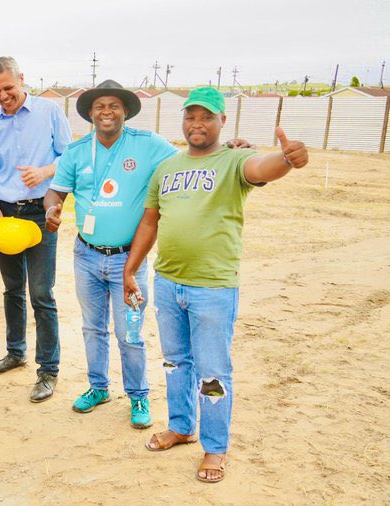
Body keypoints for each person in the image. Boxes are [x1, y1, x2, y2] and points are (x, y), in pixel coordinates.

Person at [123, 87, 308, 483]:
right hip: (169, 283)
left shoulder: (234, 159)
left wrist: (287, 160)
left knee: (212, 372)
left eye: (207, 117)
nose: (197, 124)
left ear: (222, 121)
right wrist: (130, 269)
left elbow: (263, 168)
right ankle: (181, 426)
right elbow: (150, 222)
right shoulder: (166, 169)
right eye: (191, 117)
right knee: (175, 363)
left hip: (213, 288)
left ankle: (215, 448)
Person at [44, 80, 178, 426]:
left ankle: (138, 397)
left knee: (129, 331)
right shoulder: (76, 152)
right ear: (90, 113)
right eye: (100, 106)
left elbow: (185, 165)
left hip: (127, 261)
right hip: (86, 255)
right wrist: (52, 209)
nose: (106, 112)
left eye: (113, 106)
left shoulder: (147, 145)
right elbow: (55, 192)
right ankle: (98, 387)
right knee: (93, 328)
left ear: (125, 112)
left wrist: (226, 151)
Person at [0, 56, 72, 402]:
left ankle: (48, 370)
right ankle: (15, 352)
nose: (3, 95)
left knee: (42, 294)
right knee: (12, 288)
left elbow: (70, 158)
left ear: (22, 78)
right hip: (4, 213)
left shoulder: (49, 113)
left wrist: (45, 171)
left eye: (8, 88)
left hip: (40, 212)